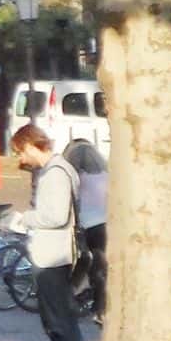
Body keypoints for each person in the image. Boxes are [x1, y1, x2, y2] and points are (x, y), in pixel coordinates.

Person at [8, 125, 85, 341]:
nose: (21, 158)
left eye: (20, 151)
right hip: (56, 254)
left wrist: (25, 218)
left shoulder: (55, 174)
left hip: (53, 256)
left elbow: (54, 216)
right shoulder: (61, 170)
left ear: (30, 145)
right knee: (57, 320)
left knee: (59, 321)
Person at [64, 137, 109, 321]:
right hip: (104, 224)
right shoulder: (106, 175)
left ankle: (79, 296)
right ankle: (100, 306)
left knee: (85, 264)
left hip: (86, 225)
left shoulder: (78, 178)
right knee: (100, 266)